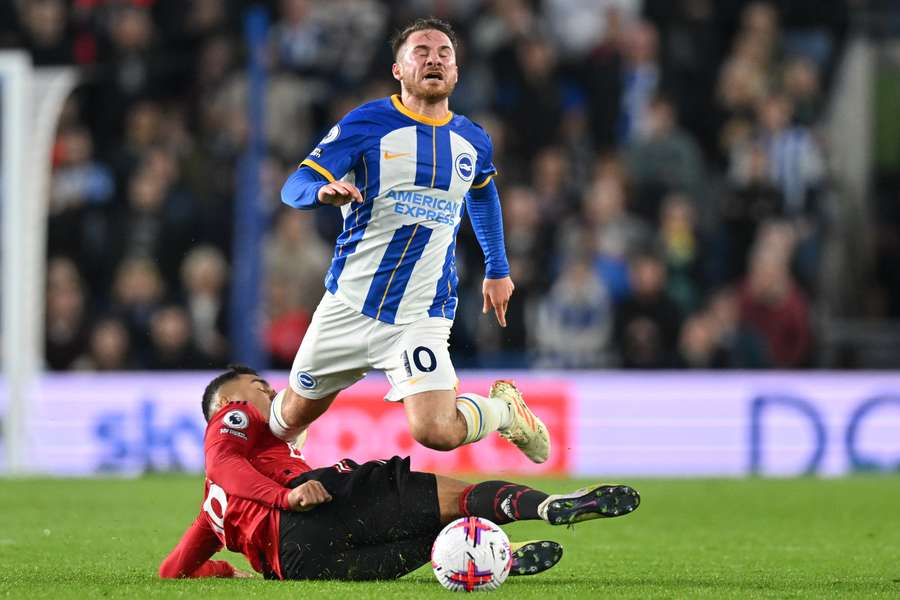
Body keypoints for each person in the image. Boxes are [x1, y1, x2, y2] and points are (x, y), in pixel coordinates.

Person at [275, 18, 549, 463]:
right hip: (348, 303)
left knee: (436, 432)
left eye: (444, 54)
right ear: (398, 69)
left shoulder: (472, 140)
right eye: (421, 51)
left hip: (421, 313)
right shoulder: (368, 123)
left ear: (457, 73)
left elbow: (482, 194)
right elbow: (296, 184)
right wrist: (319, 192)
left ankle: (505, 411)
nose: (434, 59)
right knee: (290, 416)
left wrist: (498, 268)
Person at [159, 366, 641, 580]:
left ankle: (491, 559)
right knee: (458, 498)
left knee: (433, 545)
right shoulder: (234, 415)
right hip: (313, 507)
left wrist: (225, 569)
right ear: (227, 402)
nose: (272, 394)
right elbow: (224, 465)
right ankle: (545, 506)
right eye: (260, 387)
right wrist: (288, 498)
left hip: (300, 568)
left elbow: (172, 570)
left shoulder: (209, 516)